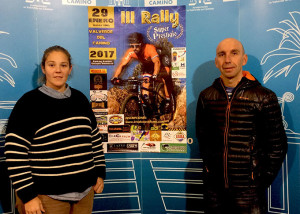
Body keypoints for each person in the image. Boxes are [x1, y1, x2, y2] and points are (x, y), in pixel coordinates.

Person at [5, 45, 106, 214]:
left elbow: (94, 140)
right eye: (52, 65)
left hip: (85, 195)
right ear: (43, 68)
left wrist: (100, 172)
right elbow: (15, 153)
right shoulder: (28, 104)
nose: (58, 71)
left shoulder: (80, 99)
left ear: (70, 69)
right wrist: (28, 197)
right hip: (46, 198)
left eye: (63, 65)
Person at [196, 38, 287, 214]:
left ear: (243, 60)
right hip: (214, 191)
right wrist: (209, 170)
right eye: (222, 55)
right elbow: (203, 138)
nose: (227, 60)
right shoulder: (206, 96)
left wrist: (258, 181)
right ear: (216, 62)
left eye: (234, 53)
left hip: (249, 193)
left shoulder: (264, 97)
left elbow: (278, 146)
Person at [111, 32, 173, 110]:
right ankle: (146, 103)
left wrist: (155, 74)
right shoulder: (131, 52)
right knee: (145, 82)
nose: (134, 48)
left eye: (137, 46)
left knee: (165, 78)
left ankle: (168, 100)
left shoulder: (149, 48)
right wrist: (115, 77)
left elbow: (157, 62)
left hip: (161, 60)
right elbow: (122, 65)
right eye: (132, 46)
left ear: (142, 44)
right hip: (148, 64)